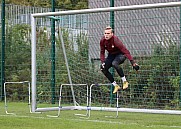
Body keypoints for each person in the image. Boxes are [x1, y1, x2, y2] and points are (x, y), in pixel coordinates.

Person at [100, 26, 139, 94]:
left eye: (108, 33)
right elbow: (102, 52)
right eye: (105, 33)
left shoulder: (115, 40)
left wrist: (133, 62)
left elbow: (126, 51)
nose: (106, 35)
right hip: (111, 55)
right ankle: (116, 86)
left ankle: (124, 81)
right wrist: (102, 62)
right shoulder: (102, 41)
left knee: (114, 63)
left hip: (121, 55)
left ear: (112, 34)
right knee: (103, 68)